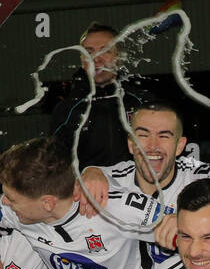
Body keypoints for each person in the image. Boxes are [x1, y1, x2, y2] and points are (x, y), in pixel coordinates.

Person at [0, 136, 167, 269]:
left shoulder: (113, 207)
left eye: (11, 199)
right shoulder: (18, 212)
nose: (4, 202)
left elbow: (182, 228)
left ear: (47, 203)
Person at [78, 102, 210, 264]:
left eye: (164, 136)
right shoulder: (107, 178)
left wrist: (187, 220)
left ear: (180, 146)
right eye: (143, 135)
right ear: (131, 144)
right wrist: (89, 172)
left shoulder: (201, 175)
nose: (152, 146)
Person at [49, 23, 146, 169]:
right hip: (88, 191)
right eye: (89, 52)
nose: (96, 59)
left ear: (119, 57)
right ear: (82, 60)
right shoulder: (67, 110)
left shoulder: (142, 102)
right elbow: (55, 166)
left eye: (105, 51)